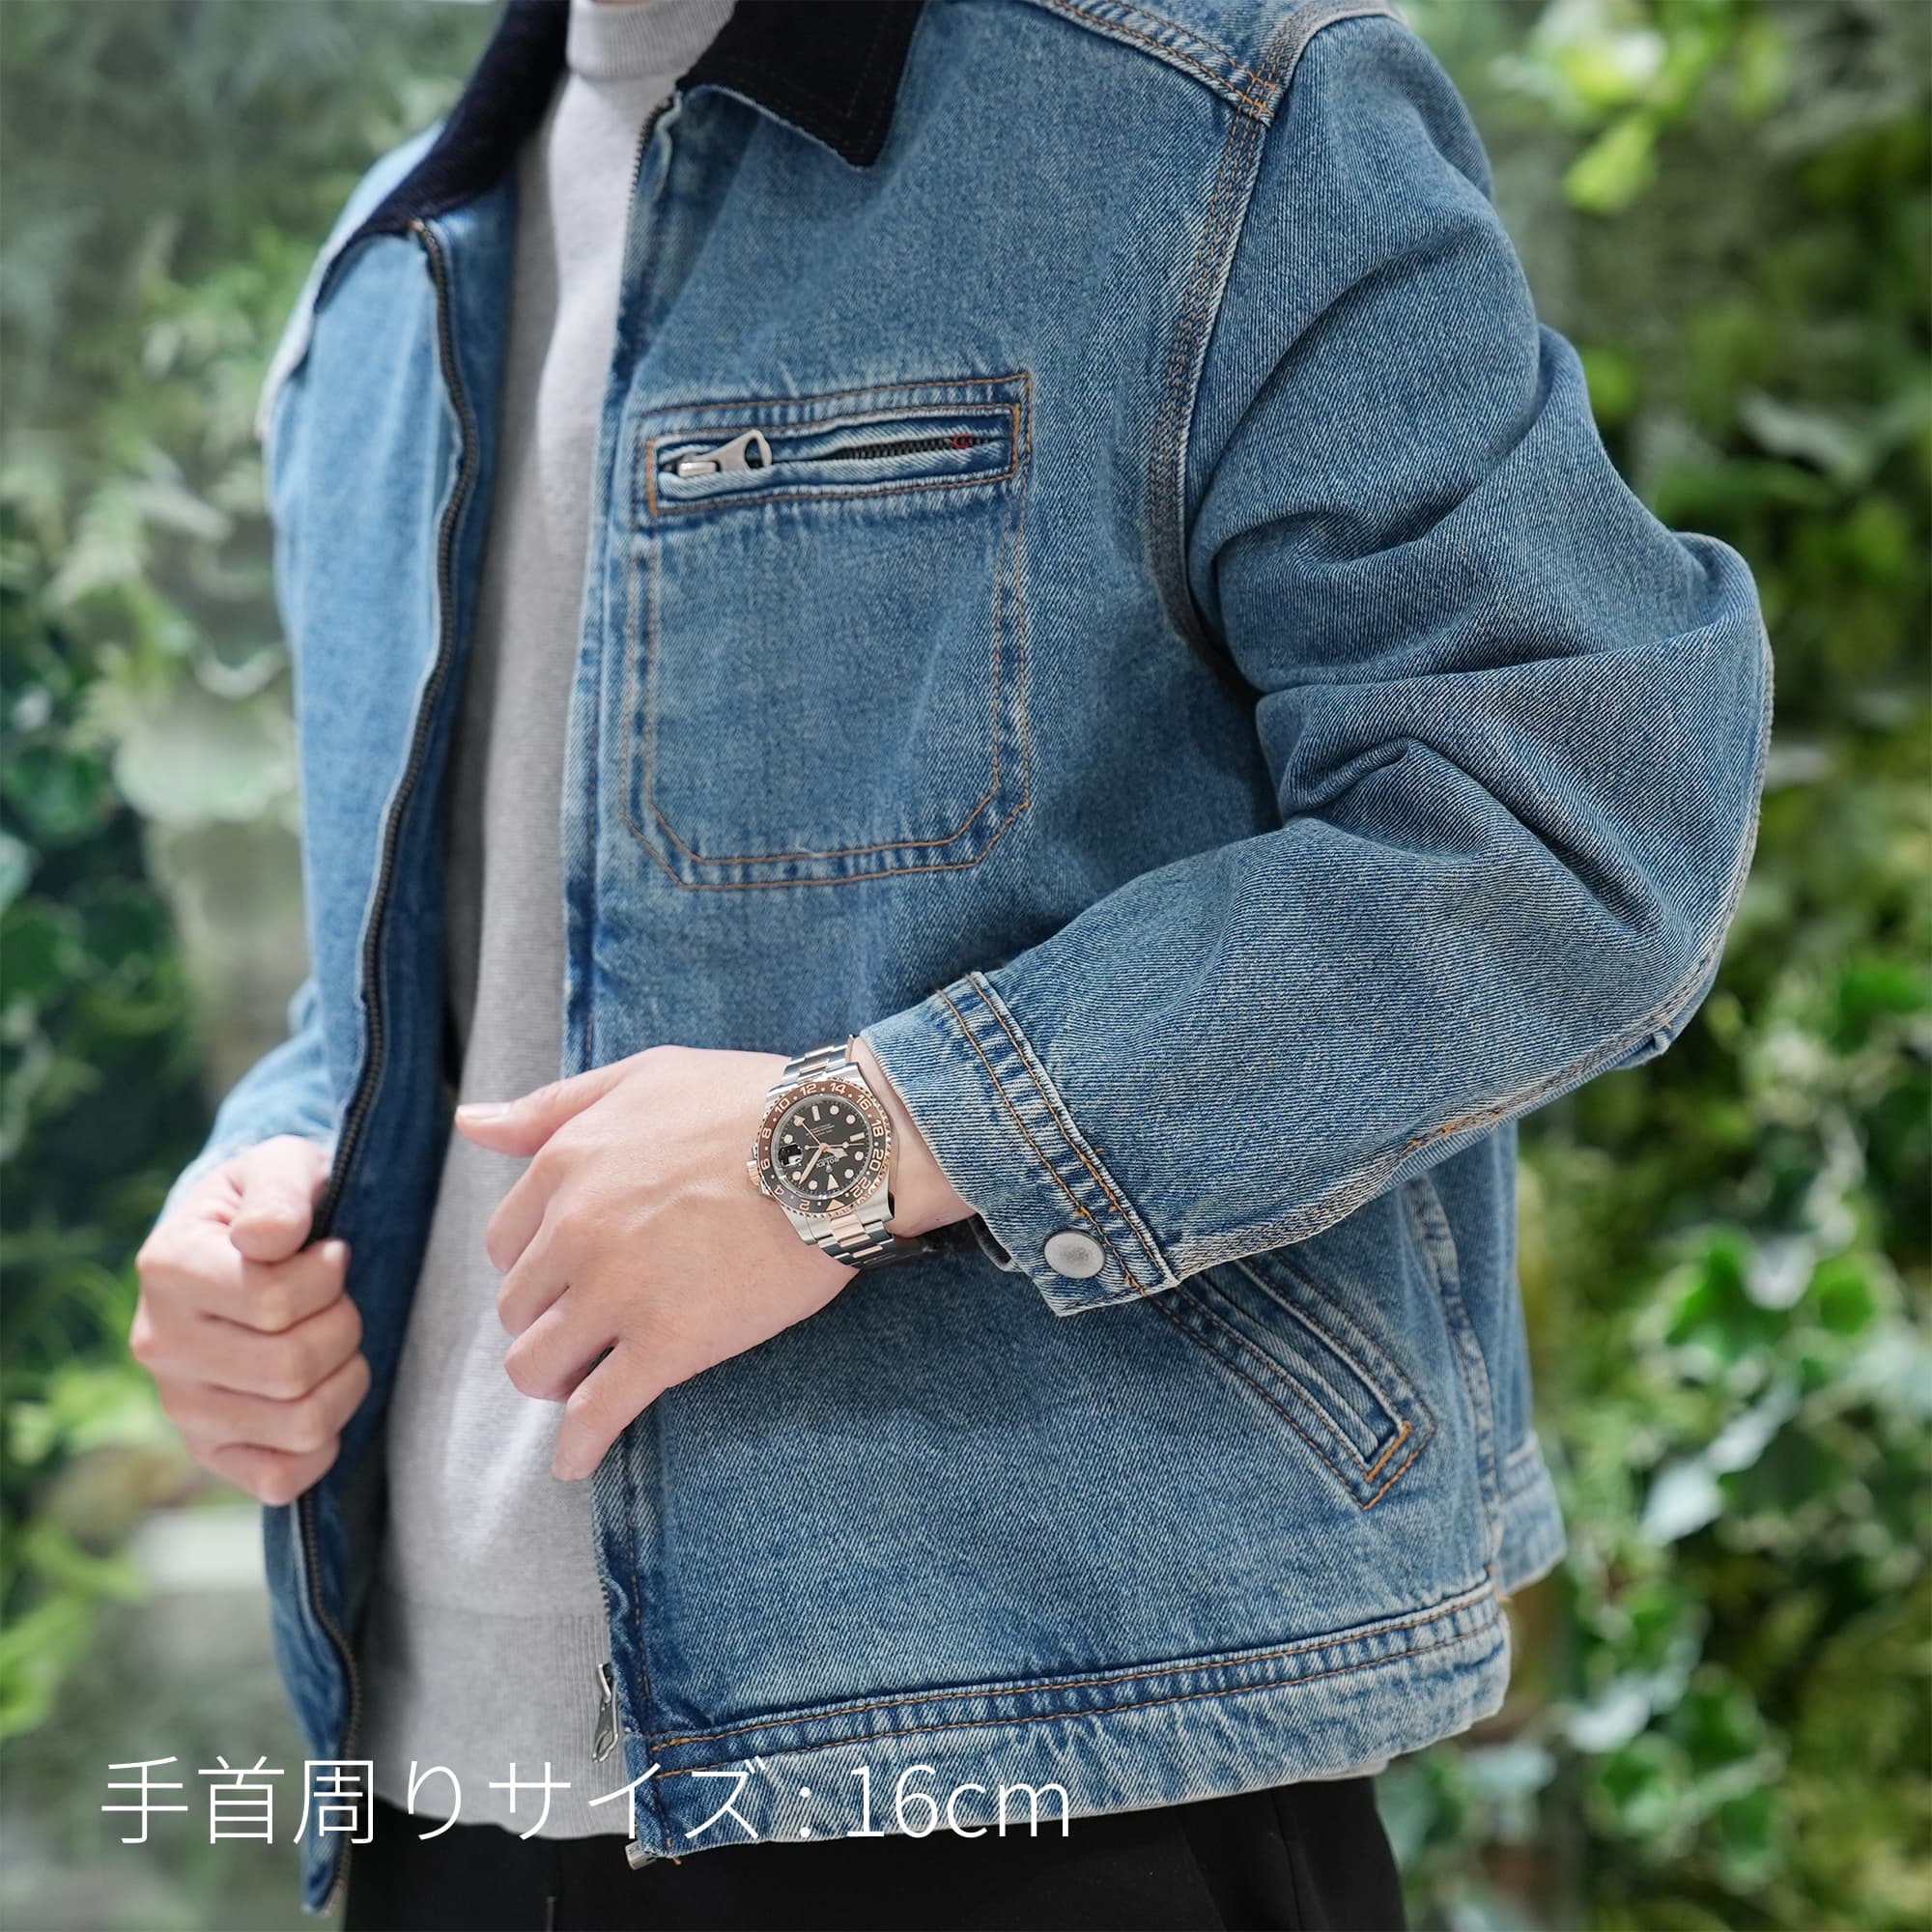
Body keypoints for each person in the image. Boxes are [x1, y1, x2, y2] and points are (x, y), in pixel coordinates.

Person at [129, 0, 1773, 1925]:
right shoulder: (387, 270)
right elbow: (434, 968)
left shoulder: (1217, 123)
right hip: (433, 1795)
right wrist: (264, 1194)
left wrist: (843, 1146)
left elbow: (1574, 816)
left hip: (1049, 1767)